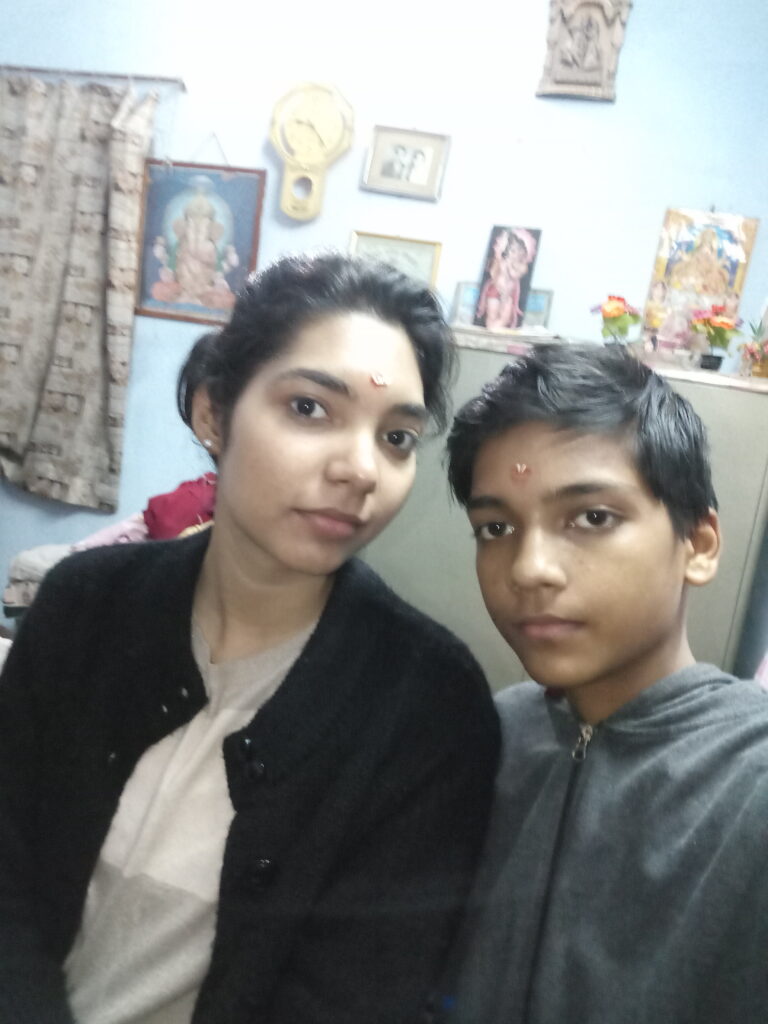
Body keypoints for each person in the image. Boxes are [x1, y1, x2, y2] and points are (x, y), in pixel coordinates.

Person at [0, 253, 500, 1024]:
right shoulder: (82, 607)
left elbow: (354, 996)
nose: (361, 469)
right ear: (213, 412)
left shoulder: (429, 709)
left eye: (397, 437)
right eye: (310, 408)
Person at [438, 343, 768, 1023]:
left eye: (592, 517)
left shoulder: (749, 786)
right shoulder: (484, 740)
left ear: (699, 544)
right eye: (496, 527)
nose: (529, 569)